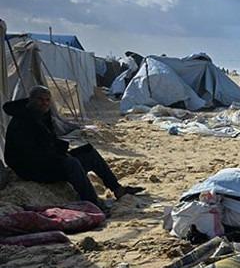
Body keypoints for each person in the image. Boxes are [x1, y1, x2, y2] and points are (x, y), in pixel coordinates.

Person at [3, 86, 144, 210]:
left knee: (88, 152)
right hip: (31, 168)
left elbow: (48, 143)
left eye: (47, 100)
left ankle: (117, 189)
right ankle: (92, 203)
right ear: (31, 100)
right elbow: (29, 152)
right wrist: (59, 153)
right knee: (71, 163)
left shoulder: (39, 116)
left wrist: (59, 150)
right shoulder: (23, 121)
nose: (44, 103)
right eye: (40, 100)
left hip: (44, 160)